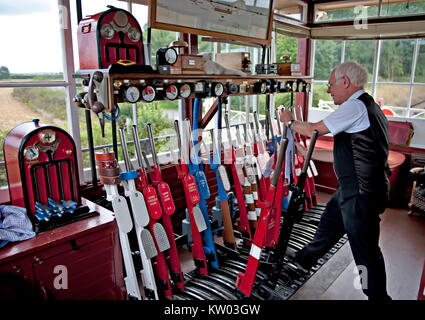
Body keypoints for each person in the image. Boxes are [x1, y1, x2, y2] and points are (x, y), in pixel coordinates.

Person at [280, 61, 392, 300]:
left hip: (361, 193)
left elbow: (314, 129)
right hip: (354, 189)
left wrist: (289, 121)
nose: (329, 90)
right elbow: (343, 154)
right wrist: (303, 152)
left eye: (331, 85)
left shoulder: (355, 107)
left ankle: (379, 297)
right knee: (329, 222)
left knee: (366, 252)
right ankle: (304, 259)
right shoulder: (368, 107)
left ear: (346, 82)